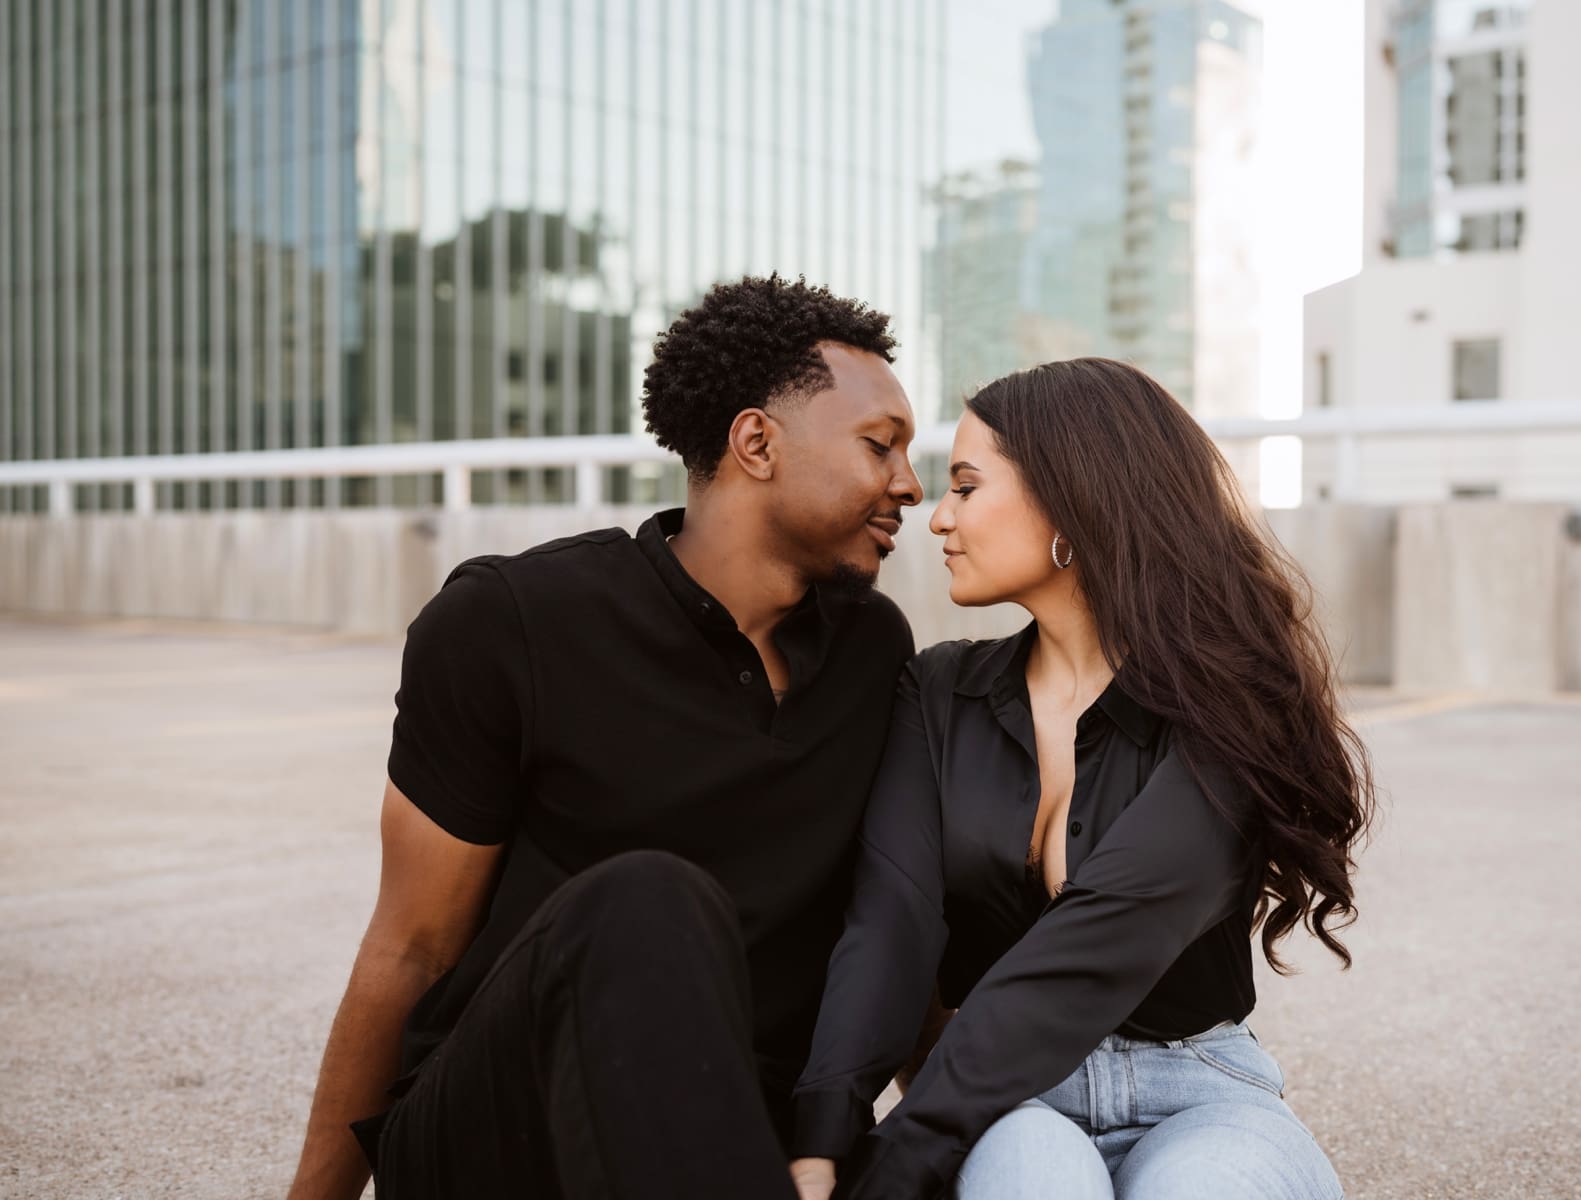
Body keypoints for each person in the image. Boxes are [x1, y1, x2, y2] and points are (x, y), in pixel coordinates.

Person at [284, 275, 925, 1200]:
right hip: (504, 1128)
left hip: (754, 1140)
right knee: (647, 899)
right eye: (880, 446)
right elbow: (410, 946)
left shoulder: (873, 650)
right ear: (757, 443)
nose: (909, 483)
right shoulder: (511, 621)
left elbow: (891, 934)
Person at [786, 358, 1374, 1200]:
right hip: (1003, 1099)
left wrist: (901, 1157)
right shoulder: (937, 691)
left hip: (1200, 1089)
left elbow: (1103, 938)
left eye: (966, 485)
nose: (938, 517)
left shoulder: (1231, 703)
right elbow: (892, 921)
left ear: (1069, 501)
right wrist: (827, 1134)